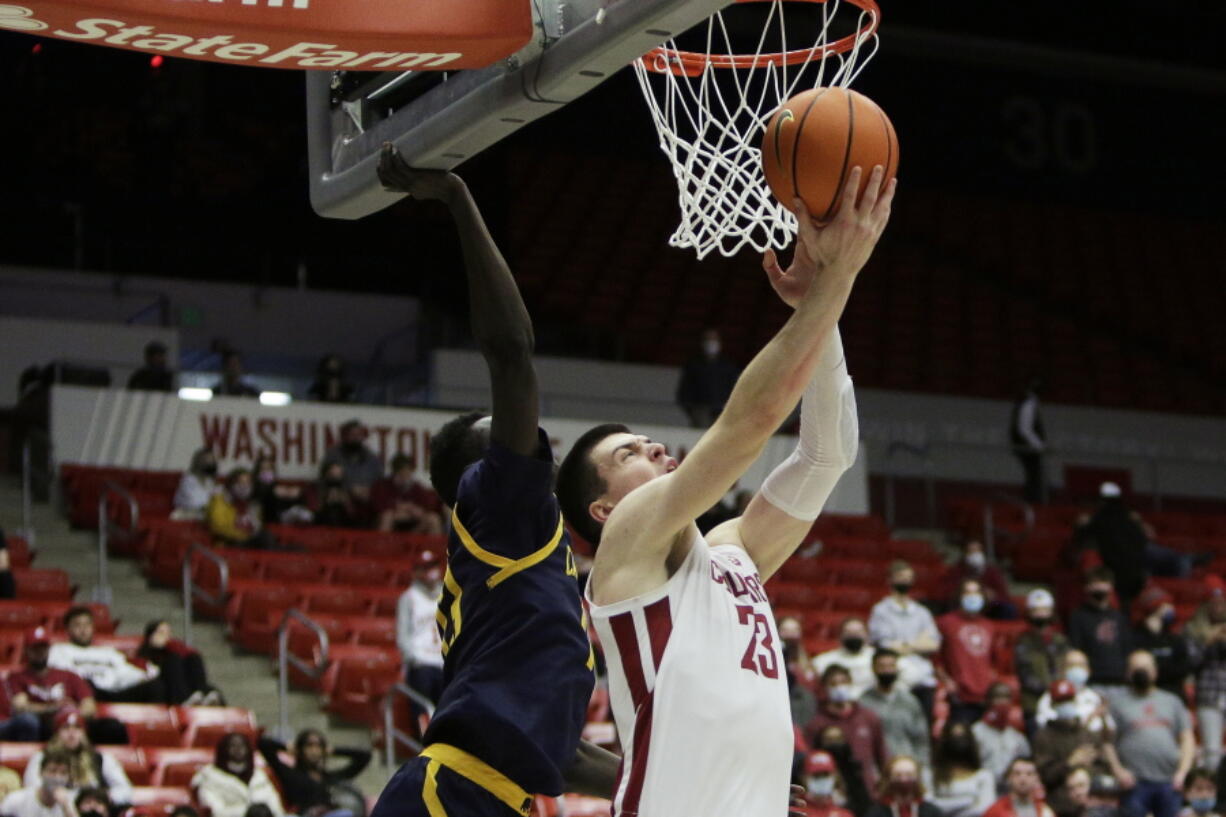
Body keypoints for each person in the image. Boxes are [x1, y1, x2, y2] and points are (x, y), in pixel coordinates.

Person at [558, 165, 895, 816]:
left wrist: (820, 319)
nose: (652, 446)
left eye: (644, 439)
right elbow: (750, 424)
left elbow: (827, 455)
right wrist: (836, 279)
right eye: (627, 453)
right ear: (603, 509)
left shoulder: (732, 550)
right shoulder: (626, 547)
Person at [370, 147, 616, 817]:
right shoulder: (501, 506)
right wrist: (456, 198)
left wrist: (696, 784)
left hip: (484, 793)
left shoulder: (516, 569)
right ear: (478, 474)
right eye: (508, 430)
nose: (530, 434)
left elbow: (558, 754)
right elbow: (511, 354)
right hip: (454, 792)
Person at [1103, 650, 1196, 817]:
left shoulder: (1172, 701)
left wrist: (1182, 773)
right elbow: (1107, 742)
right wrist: (1118, 771)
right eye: (1136, 668)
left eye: (1145, 668)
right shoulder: (1116, 705)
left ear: (1155, 671)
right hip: (1133, 783)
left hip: (1169, 781)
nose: (1141, 672)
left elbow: (1187, 739)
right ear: (1127, 673)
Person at [7, 627, 127, 744]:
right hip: (43, 725)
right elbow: (21, 707)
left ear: (49, 649)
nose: (40, 652)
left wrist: (69, 714)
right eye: (35, 648)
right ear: (26, 650)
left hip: (73, 722)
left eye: (43, 648)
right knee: (28, 722)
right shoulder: (17, 677)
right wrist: (53, 708)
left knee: (112, 727)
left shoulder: (69, 675)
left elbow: (89, 706)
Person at [869, 560, 942, 719]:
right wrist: (918, 644)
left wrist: (904, 645)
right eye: (901, 577)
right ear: (890, 580)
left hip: (923, 680)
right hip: (896, 679)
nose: (906, 581)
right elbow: (885, 645)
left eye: (909, 577)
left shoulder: (922, 612)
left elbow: (933, 643)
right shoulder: (880, 610)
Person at [48, 608, 164, 704]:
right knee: (86, 685)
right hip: (88, 693)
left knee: (155, 686)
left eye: (87, 624)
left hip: (116, 692)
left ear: (93, 627)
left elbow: (125, 672)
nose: (83, 630)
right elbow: (66, 675)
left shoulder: (108, 652)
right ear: (68, 629)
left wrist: (144, 677)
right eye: (77, 625)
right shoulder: (59, 650)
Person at [1034, 680, 1115, 814]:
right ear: (1053, 705)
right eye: (1061, 702)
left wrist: (1086, 775)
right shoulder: (1043, 737)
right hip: (1060, 807)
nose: (1066, 705)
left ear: (1076, 701)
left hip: (1091, 807)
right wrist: (1070, 763)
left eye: (1069, 700)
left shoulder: (1087, 733)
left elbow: (1104, 767)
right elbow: (1045, 776)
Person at [21, 711, 132, 807]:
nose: (72, 733)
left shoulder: (101, 759)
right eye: (66, 728)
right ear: (56, 733)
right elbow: (32, 790)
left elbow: (125, 791)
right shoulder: (42, 757)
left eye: (77, 728)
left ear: (84, 733)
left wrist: (102, 798)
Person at [805, 665, 889, 791]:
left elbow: (882, 753)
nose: (839, 687)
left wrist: (885, 781)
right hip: (832, 788)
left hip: (866, 786)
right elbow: (809, 757)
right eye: (833, 684)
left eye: (843, 682)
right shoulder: (816, 723)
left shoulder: (868, 717)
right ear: (825, 688)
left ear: (850, 684)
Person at [256, 729, 370, 817]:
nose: (314, 751)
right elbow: (263, 744)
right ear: (300, 748)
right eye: (309, 746)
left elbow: (364, 756)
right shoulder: (290, 775)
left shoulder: (330, 777)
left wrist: (333, 750)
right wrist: (287, 747)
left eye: (318, 746)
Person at [937, 579, 997, 724]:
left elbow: (994, 661)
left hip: (985, 695)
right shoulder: (946, 623)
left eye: (976, 592)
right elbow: (936, 659)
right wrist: (946, 680)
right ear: (960, 596)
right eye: (968, 592)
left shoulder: (989, 626)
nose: (972, 596)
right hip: (959, 695)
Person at [859, 648, 931, 768]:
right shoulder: (863, 702)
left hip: (907, 765)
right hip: (877, 766)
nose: (887, 670)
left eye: (891, 666)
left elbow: (921, 738)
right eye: (882, 666)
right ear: (873, 669)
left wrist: (921, 764)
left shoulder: (910, 701)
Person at [1185, 576, 1226, 773]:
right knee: (1211, 749)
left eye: (1222, 603)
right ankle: (1213, 789)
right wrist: (1210, 641)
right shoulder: (1193, 630)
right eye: (1214, 603)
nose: (1218, 607)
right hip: (1208, 697)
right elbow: (1191, 662)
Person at [1014, 588, 1069, 734]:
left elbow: (1065, 667)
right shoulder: (1023, 641)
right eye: (1036, 610)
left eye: (1045, 609)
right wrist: (1049, 689)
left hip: (1060, 702)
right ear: (1029, 612)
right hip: (1034, 704)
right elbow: (1024, 674)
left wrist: (1059, 690)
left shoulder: (1060, 640)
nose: (1041, 614)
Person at [192, 733, 285, 817]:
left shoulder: (259, 776)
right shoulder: (209, 777)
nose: (238, 749)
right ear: (224, 750)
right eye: (233, 746)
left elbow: (276, 809)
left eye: (242, 746)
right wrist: (248, 811)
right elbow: (216, 812)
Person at [1068, 568, 1131, 688]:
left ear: (1111, 587)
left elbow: (1126, 648)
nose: (1099, 587)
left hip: (1119, 681)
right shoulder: (1078, 616)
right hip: (1092, 682)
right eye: (1095, 583)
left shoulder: (1119, 617)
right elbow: (1076, 648)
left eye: (1103, 583)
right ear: (1087, 587)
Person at [1130, 586, 1194, 701]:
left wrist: (1156, 669)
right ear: (1155, 607)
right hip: (1144, 696)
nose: (1171, 608)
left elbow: (1184, 667)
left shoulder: (1174, 638)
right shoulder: (1137, 638)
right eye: (1167, 605)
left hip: (1173, 695)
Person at [395, 558, 445, 704]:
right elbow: (402, 633)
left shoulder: (449, 595)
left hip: (445, 664)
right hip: (421, 664)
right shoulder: (409, 597)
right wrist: (413, 658)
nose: (430, 573)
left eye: (432, 567)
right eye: (425, 568)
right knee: (423, 711)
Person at [137, 620, 221, 706]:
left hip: (182, 683)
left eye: (168, 633)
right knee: (173, 661)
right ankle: (184, 700)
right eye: (161, 632)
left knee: (193, 658)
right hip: (161, 683)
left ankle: (203, 694)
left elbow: (189, 654)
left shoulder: (172, 648)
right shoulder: (145, 653)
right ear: (151, 635)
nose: (166, 636)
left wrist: (169, 646)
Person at [1035, 650, 1115, 734]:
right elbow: (1047, 727)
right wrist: (1090, 718)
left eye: (1081, 665)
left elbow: (1111, 729)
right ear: (1062, 670)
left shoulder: (1096, 698)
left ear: (1089, 670)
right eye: (1072, 665)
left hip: (1093, 743)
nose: (1077, 669)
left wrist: (1103, 716)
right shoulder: (1051, 698)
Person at [675, 328, 741, 428]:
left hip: (722, 411)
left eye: (714, 339)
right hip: (700, 411)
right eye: (708, 339)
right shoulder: (693, 365)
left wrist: (730, 408)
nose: (711, 343)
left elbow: (735, 388)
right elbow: (684, 390)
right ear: (702, 342)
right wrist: (692, 409)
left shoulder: (728, 366)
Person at [929, 721, 997, 817]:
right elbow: (928, 805)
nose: (958, 742)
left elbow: (985, 808)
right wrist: (969, 801)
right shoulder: (931, 775)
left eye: (962, 737)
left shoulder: (984, 776)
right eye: (954, 737)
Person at [972, 683, 1030, 790]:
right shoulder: (975, 732)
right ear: (988, 701)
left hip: (1011, 791)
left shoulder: (1017, 736)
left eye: (1006, 697)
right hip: (983, 789)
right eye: (998, 697)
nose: (1002, 702)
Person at [938, 542, 1017, 620]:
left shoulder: (992, 571)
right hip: (963, 606)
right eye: (971, 552)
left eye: (977, 551)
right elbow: (947, 592)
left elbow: (1004, 595)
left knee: (1008, 608)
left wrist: (993, 596)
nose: (975, 555)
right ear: (965, 554)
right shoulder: (956, 570)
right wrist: (963, 594)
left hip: (988, 606)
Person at [371, 454, 444, 535]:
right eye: (401, 473)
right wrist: (398, 507)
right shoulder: (383, 486)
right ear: (395, 472)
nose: (405, 476)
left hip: (414, 527)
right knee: (387, 517)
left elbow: (428, 506)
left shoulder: (416, 487)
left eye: (407, 472)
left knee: (433, 519)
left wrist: (416, 510)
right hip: (394, 522)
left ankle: (433, 547)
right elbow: (378, 506)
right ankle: (383, 546)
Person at [206, 469, 274, 549]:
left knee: (266, 536)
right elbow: (218, 527)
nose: (244, 486)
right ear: (231, 484)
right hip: (228, 543)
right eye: (240, 482)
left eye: (248, 483)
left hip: (251, 543)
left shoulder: (253, 504)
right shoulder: (220, 500)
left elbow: (257, 527)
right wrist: (243, 536)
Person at [320, 420, 383, 503]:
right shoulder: (333, 456)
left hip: (368, 502)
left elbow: (380, 483)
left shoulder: (372, 459)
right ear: (345, 436)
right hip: (342, 501)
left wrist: (368, 490)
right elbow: (324, 482)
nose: (356, 438)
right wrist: (350, 489)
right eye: (352, 435)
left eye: (359, 435)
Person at [0, 751, 77, 817]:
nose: (57, 778)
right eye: (52, 771)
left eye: (63, 773)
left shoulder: (72, 801)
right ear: (40, 772)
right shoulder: (16, 800)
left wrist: (67, 807)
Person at [865, 755, 945, 817]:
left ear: (918, 778)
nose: (904, 779)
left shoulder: (932, 812)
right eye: (898, 775)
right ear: (888, 779)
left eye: (909, 775)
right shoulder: (876, 813)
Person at [815, 618, 877, 697]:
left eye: (858, 632)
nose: (854, 635)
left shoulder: (878, 658)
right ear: (840, 635)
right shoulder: (822, 661)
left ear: (866, 634)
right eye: (848, 632)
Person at [1010, 378, 1046, 504]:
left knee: (1034, 473)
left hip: (1027, 445)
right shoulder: (1028, 403)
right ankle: (1033, 501)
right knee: (1033, 474)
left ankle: (1034, 499)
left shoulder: (1030, 402)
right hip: (1026, 446)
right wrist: (1039, 445)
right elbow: (1024, 429)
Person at [983, 758, 1056, 817]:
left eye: (1029, 774)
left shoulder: (1045, 812)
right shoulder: (995, 811)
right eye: (1017, 774)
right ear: (1009, 777)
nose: (1023, 779)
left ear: (1037, 778)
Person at [780, 616, 819, 726]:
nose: (790, 634)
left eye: (794, 630)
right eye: (785, 630)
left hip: (805, 709)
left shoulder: (810, 664)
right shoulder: (776, 662)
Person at [252, 456, 310, 527]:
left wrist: (290, 495)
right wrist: (272, 493)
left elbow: (284, 506)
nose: (266, 472)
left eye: (269, 469)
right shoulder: (254, 487)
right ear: (257, 471)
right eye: (263, 469)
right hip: (267, 519)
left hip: (284, 516)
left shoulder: (276, 485)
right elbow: (260, 505)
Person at [798, 750, 856, 817]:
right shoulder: (794, 813)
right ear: (804, 778)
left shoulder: (845, 815)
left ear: (835, 776)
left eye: (825, 775)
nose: (821, 780)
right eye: (816, 776)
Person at [172, 448, 219, 520]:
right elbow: (192, 501)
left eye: (212, 459)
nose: (211, 462)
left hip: (205, 513)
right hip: (187, 513)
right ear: (199, 462)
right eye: (207, 459)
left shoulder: (209, 481)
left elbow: (213, 497)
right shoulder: (188, 479)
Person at [0, 675, 40, 741]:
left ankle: (27, 750)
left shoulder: (3, 681)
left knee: (28, 720)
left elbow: (17, 704)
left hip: (6, 721)